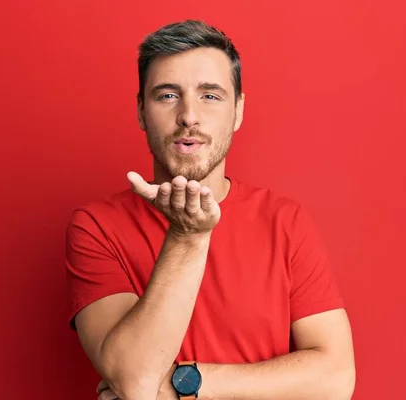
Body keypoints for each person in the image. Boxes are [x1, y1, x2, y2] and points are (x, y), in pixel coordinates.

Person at [65, 20, 355, 400]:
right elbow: (134, 381)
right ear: (140, 111)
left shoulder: (286, 221)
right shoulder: (96, 227)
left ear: (237, 111)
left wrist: (189, 384)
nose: (188, 115)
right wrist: (187, 235)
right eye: (167, 95)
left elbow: (335, 379)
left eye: (210, 96)